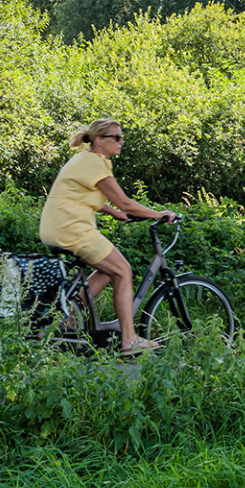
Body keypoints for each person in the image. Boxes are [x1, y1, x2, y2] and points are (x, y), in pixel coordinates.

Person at [39, 118, 178, 353]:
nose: (121, 141)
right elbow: (124, 201)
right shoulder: (94, 164)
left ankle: (69, 319)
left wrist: (115, 213)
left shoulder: (86, 160)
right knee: (123, 270)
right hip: (73, 230)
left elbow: (83, 194)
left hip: (58, 228)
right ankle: (129, 339)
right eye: (116, 137)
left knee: (107, 270)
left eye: (121, 136)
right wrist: (158, 214)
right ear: (100, 140)